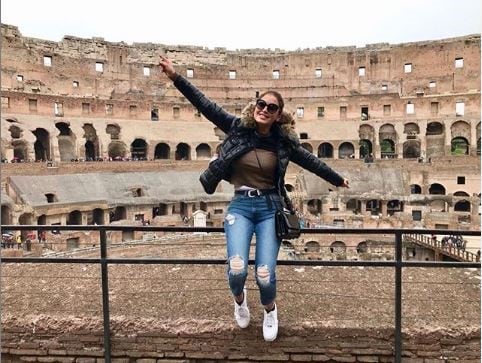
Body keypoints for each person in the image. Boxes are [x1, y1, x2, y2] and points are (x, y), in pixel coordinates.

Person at [159, 55, 349, 342]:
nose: (264, 110)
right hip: (241, 206)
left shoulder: (283, 142)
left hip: (270, 208)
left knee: (264, 273)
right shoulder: (237, 127)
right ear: (255, 106)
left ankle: (270, 310)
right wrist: (176, 77)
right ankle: (239, 301)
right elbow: (204, 105)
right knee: (237, 269)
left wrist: (337, 179)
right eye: (261, 104)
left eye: (272, 108)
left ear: (278, 115)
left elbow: (312, 162)